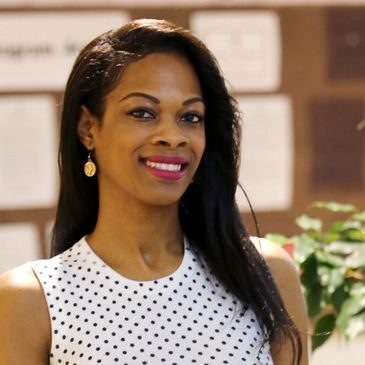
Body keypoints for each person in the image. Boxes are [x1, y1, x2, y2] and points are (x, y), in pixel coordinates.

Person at [0, 18, 308, 364]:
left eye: (190, 117)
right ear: (89, 128)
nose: (172, 135)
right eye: (143, 113)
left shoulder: (265, 273)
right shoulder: (31, 300)